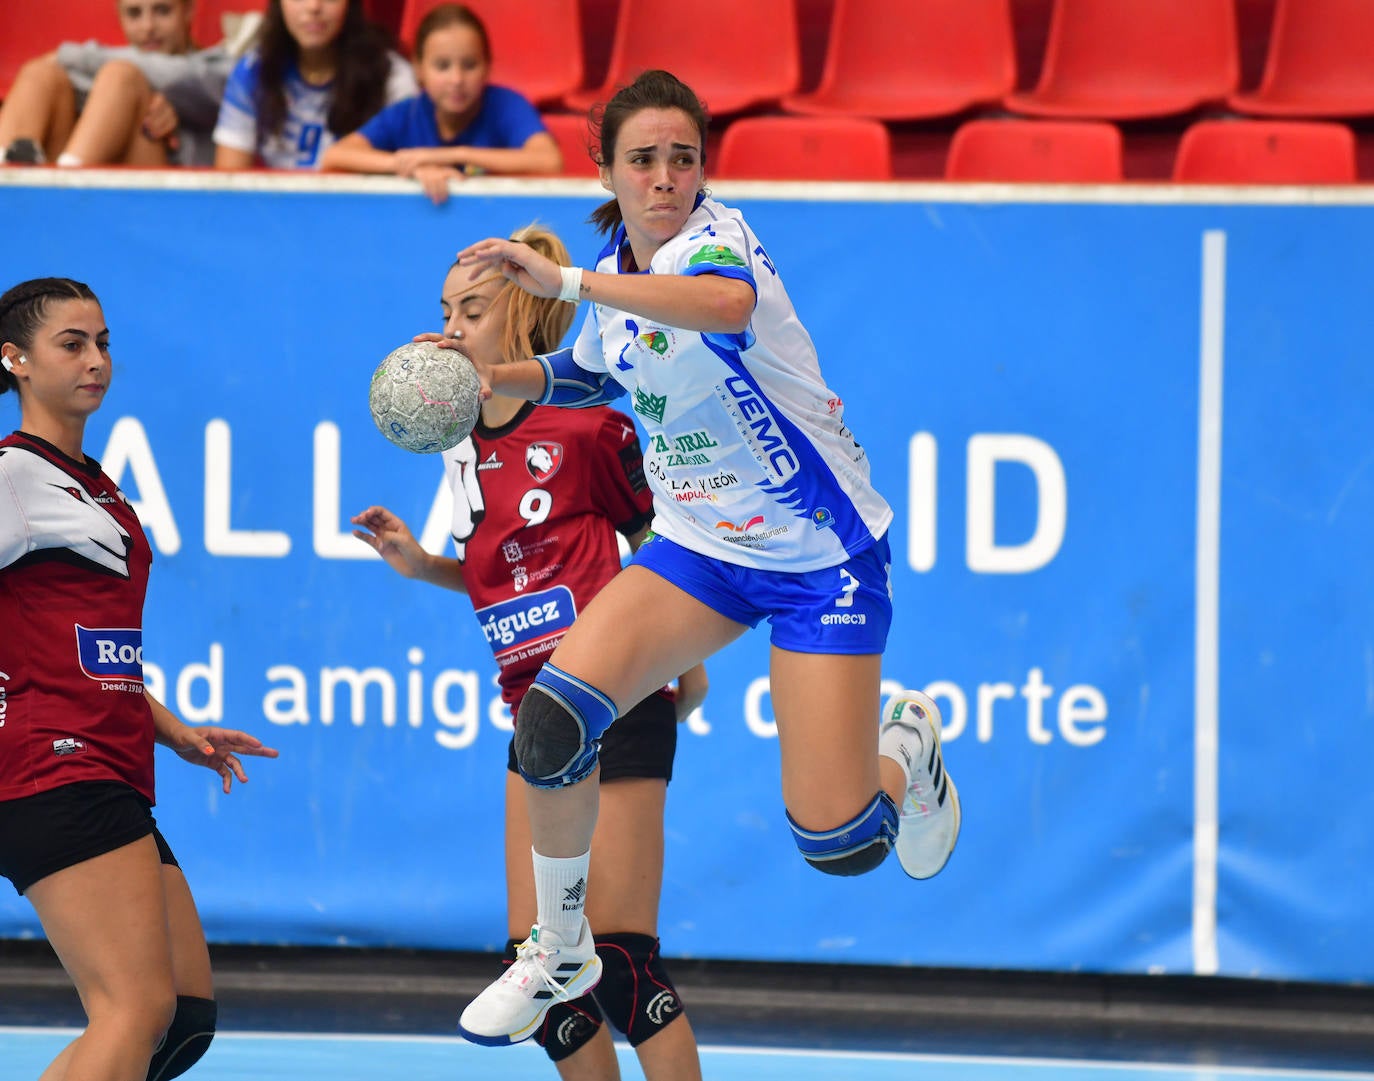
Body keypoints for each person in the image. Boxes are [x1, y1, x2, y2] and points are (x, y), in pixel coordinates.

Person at [437, 69, 964, 1046]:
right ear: (609, 169)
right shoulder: (616, 269)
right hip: (701, 553)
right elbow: (585, 370)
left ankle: (908, 752)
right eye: (644, 159)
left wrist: (568, 284)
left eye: (683, 156)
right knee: (551, 724)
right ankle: (558, 948)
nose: (666, 175)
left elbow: (719, 308)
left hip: (822, 557)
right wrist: (486, 377)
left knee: (840, 841)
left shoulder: (713, 246)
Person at [350, 224, 706, 1080]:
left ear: (520, 311)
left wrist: (682, 662)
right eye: (442, 311)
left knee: (618, 965)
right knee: (545, 978)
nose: (450, 329)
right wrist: (422, 566)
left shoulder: (587, 430)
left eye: (470, 309)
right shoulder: (460, 446)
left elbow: (669, 547)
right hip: (533, 716)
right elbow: (505, 575)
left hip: (611, 699)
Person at [0, 277, 278, 1081]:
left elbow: (89, 645)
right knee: (134, 1009)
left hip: (111, 756)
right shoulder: (15, 478)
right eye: (72, 343)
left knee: (182, 1015)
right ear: (14, 360)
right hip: (54, 763)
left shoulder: (92, 480)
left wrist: (171, 727)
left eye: (104, 342)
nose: (95, 359)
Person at [320, 4, 561, 204]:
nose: (456, 80)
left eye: (469, 65)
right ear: (419, 69)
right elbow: (336, 155)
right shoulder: (408, 112)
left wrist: (450, 155)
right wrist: (409, 166)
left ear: (488, 66)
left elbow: (549, 160)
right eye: (442, 66)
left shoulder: (507, 105)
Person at [0, 0, 234, 168]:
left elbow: (177, 74)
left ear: (188, 9)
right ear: (119, 16)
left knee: (121, 76)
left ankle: (64, 189)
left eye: (162, 10)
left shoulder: (219, 66)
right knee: (41, 75)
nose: (148, 27)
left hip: (170, 207)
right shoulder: (104, 69)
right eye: (134, 13)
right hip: (99, 194)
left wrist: (69, 54)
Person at [212, 0, 417, 170]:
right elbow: (229, 185)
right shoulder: (253, 70)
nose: (313, 7)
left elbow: (411, 176)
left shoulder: (392, 77)